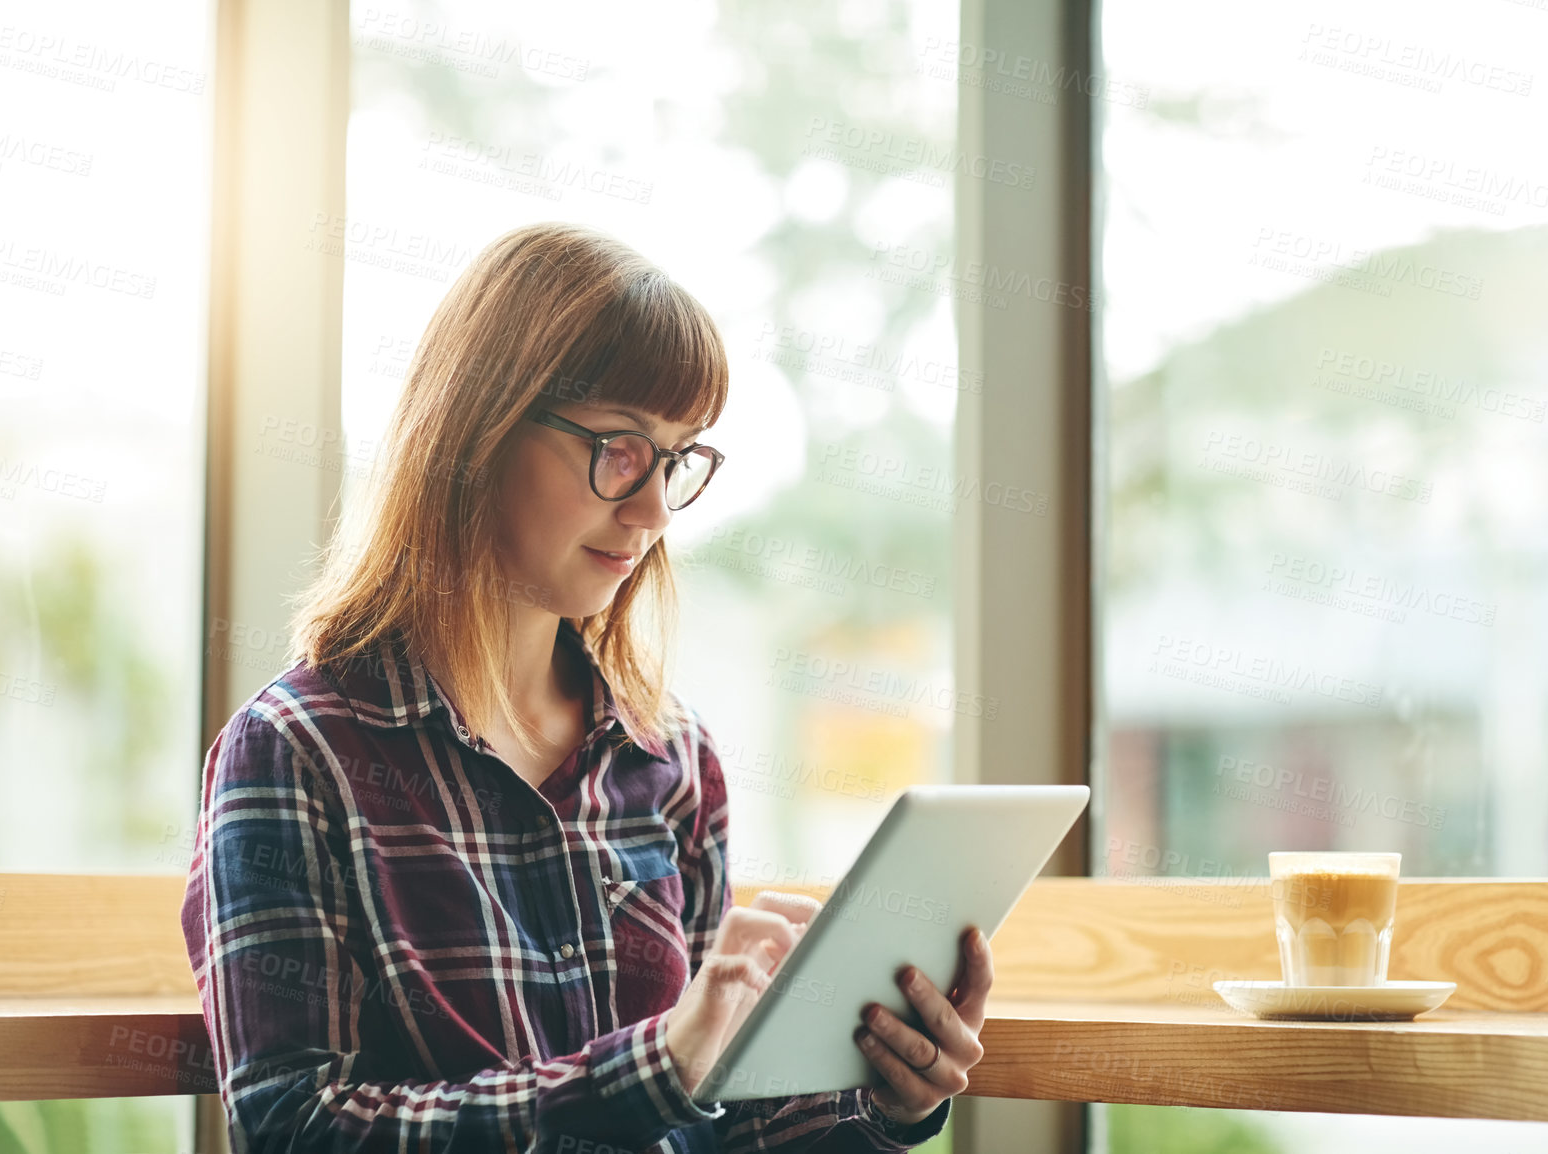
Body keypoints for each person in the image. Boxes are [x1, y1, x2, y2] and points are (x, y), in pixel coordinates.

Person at [179, 222, 990, 1153]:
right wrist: (656, 1072)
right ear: (476, 429)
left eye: (677, 459)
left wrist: (884, 1101)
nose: (650, 511)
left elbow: (710, 1116)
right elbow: (292, 1128)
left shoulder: (670, 757)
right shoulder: (298, 752)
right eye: (618, 447)